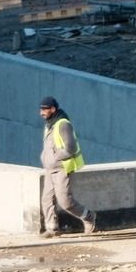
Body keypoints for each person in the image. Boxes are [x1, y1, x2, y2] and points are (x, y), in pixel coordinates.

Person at [37, 97, 97, 237]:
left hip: (62, 168)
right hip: (50, 169)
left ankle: (89, 217)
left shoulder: (62, 124)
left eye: (44, 109)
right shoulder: (49, 124)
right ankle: (52, 229)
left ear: (53, 109)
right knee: (47, 199)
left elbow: (71, 148)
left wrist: (55, 158)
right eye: (41, 109)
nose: (41, 112)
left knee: (65, 202)